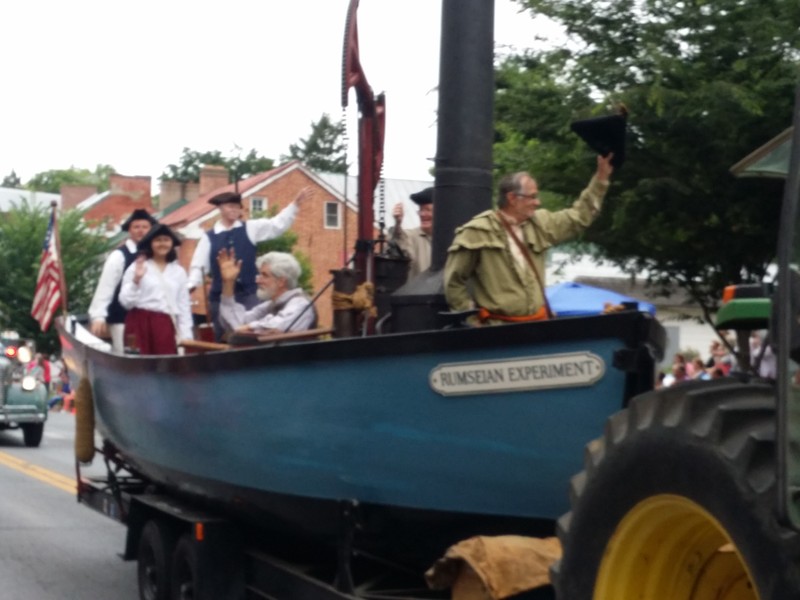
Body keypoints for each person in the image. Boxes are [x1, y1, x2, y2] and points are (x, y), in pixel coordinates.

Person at [444, 154, 614, 324]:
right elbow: (454, 281)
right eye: (532, 197)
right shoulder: (478, 230)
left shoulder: (541, 224)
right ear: (512, 198)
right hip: (496, 333)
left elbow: (578, 217)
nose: (537, 202)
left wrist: (601, 178)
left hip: (537, 329)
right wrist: (472, 321)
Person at [188, 188, 314, 341]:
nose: (235, 210)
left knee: (251, 336)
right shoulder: (209, 237)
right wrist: (190, 288)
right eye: (230, 206)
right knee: (224, 336)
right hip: (221, 297)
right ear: (220, 209)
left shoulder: (250, 228)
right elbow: (198, 266)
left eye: (237, 206)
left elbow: (276, 225)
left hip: (249, 294)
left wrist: (295, 204)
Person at [88, 209, 157, 352]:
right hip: (122, 319)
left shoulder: (156, 256)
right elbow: (106, 286)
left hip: (151, 319)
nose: (141, 231)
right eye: (136, 227)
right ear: (129, 230)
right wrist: (98, 315)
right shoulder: (119, 256)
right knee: (128, 357)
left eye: (145, 227)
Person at [119, 224, 194, 355]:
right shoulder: (137, 267)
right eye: (158, 240)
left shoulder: (178, 272)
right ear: (150, 243)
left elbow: (183, 306)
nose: (162, 244)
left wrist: (186, 336)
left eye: (166, 240)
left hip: (164, 325)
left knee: (166, 366)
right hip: (139, 324)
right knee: (139, 367)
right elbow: (125, 302)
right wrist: (136, 280)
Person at [217, 248, 316, 337]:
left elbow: (277, 327)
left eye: (264, 275)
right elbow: (237, 322)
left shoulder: (301, 304)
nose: (257, 281)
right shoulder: (270, 305)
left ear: (281, 281)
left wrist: (248, 327)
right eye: (259, 275)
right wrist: (228, 283)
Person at [390, 187, 433, 278]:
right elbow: (399, 240)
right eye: (421, 210)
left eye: (428, 210)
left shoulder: (453, 238)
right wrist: (398, 224)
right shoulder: (412, 237)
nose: (422, 214)